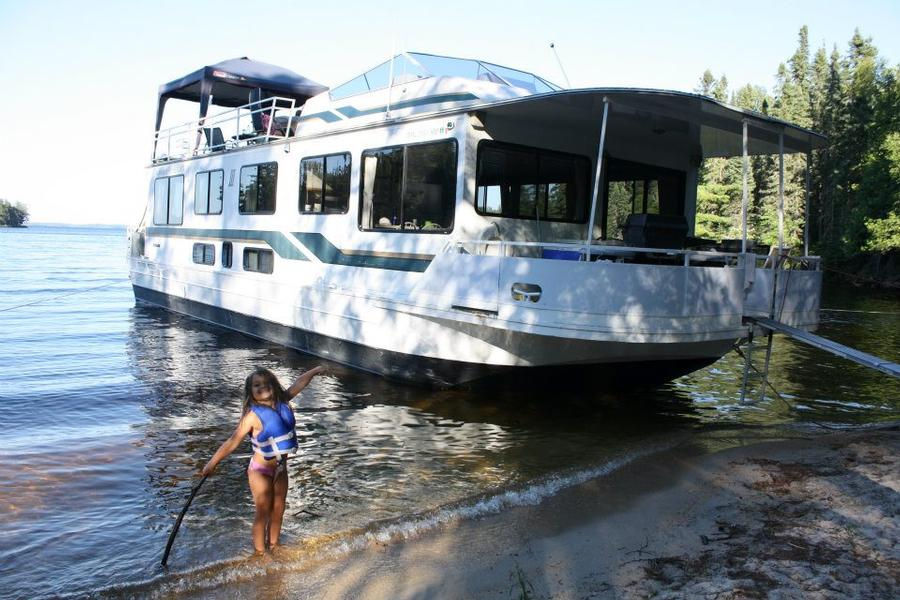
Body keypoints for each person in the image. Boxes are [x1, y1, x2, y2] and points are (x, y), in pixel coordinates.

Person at [201, 365, 325, 554]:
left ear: (274, 386)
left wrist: (315, 370)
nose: (263, 387)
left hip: (281, 468)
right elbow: (232, 442)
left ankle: (274, 544)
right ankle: (260, 552)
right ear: (250, 392)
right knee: (263, 511)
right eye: (257, 385)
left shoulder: (282, 401)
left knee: (279, 507)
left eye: (267, 383)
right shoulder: (252, 416)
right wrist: (212, 462)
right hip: (261, 470)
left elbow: (299, 384)